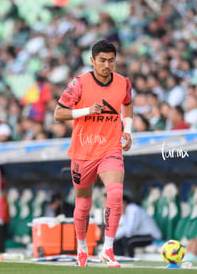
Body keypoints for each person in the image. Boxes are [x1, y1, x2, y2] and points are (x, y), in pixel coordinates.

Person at [54, 39, 133, 267]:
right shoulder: (79, 83)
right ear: (92, 61)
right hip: (83, 151)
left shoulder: (123, 83)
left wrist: (127, 130)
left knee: (116, 193)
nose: (107, 65)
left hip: (111, 148)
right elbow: (59, 114)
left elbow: (127, 104)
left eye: (111, 60)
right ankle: (81, 248)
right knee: (83, 203)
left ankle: (108, 248)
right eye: (102, 61)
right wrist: (88, 110)